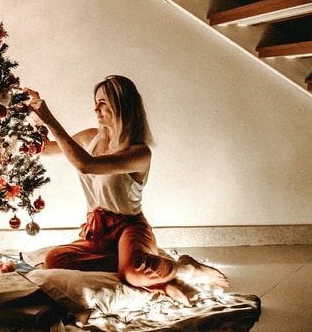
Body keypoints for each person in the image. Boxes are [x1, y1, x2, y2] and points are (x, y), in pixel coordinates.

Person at [25, 76, 229, 306]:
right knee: (54, 259)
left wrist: (49, 117)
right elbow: (43, 150)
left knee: (133, 271)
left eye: (103, 103)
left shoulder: (139, 153)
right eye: (96, 102)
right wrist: (36, 117)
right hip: (98, 229)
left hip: (129, 228)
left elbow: (86, 164)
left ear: (121, 106)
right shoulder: (90, 137)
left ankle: (184, 269)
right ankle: (155, 275)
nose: (96, 109)